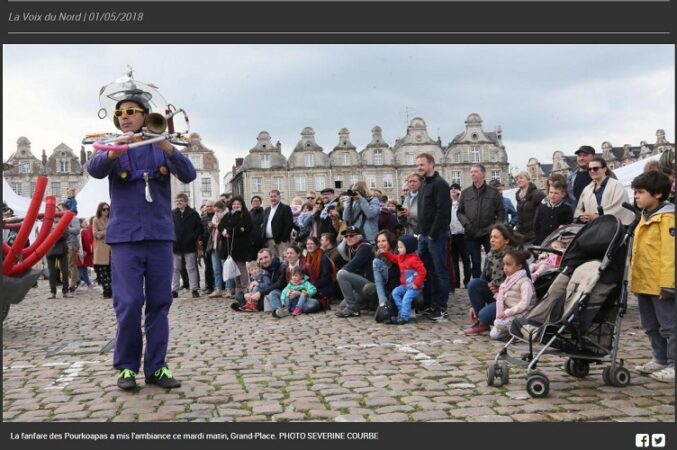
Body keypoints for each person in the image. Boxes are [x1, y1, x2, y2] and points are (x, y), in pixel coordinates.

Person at [87, 90, 195, 390]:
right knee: (130, 303)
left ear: (145, 115)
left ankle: (157, 367)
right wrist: (114, 151)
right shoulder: (112, 145)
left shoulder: (160, 146)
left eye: (131, 111)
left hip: (159, 235)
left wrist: (166, 146)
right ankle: (126, 368)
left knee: (160, 302)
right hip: (125, 239)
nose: (125, 118)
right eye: (120, 114)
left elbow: (189, 174)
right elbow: (94, 170)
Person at [630, 171, 675, 383]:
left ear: (657, 194)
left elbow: (670, 254)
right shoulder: (644, 217)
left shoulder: (667, 219)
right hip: (644, 282)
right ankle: (660, 357)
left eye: (640, 192)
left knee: (670, 326)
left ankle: (674, 363)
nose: (636, 197)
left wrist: (669, 283)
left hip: (661, 284)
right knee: (650, 325)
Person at [464, 224, 522, 336]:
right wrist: (473, 306)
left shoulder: (516, 258)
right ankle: (482, 324)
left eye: (496, 237)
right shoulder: (491, 255)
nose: (492, 240)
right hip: (496, 296)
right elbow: (483, 278)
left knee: (484, 315)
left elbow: (523, 284)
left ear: (506, 240)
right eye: (491, 237)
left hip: (511, 300)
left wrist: (501, 290)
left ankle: (505, 323)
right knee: (474, 284)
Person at [415, 153, 451, 322]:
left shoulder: (440, 184)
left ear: (431, 164)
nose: (419, 168)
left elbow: (443, 213)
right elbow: (422, 211)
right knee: (425, 271)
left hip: (436, 236)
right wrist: (420, 232)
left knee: (439, 271)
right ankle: (429, 303)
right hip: (423, 236)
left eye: (422, 165)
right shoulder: (423, 185)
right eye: (418, 165)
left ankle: (441, 306)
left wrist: (432, 234)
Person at [457, 163, 505, 280]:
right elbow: (460, 212)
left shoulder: (493, 192)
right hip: (471, 233)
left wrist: (496, 228)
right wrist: (466, 224)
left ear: (483, 174)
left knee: (493, 260)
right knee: (476, 262)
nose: (473, 174)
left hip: (488, 233)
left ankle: (493, 283)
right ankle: (477, 285)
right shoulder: (465, 192)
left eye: (476, 171)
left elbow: (501, 212)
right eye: (471, 172)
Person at [377, 234, 426, 325]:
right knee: (395, 293)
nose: (398, 249)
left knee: (406, 298)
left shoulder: (414, 259)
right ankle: (402, 311)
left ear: (408, 247)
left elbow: (422, 271)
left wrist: (417, 283)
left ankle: (404, 317)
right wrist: (384, 253)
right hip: (405, 285)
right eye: (398, 247)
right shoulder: (400, 257)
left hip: (414, 286)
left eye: (400, 247)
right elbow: (393, 258)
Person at [574, 156, 634, 226]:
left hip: (614, 227)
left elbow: (620, 207)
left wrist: (597, 215)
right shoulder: (587, 189)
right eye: (589, 169)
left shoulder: (617, 185)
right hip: (594, 228)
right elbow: (579, 209)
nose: (592, 171)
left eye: (595, 168)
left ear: (604, 169)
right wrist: (582, 216)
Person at [490, 250, 536, 340]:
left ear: (519, 266)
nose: (505, 268)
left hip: (522, 316)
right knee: (493, 334)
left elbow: (524, 304)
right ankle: (510, 331)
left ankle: (516, 330)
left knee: (498, 324)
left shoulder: (524, 282)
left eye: (508, 264)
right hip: (510, 314)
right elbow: (508, 297)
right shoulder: (508, 280)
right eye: (504, 264)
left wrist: (507, 313)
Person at [335, 226, 374, 317]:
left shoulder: (365, 247)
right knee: (342, 306)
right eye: (346, 236)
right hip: (361, 284)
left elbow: (352, 266)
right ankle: (365, 304)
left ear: (359, 236)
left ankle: (353, 308)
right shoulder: (353, 248)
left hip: (370, 284)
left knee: (341, 274)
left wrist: (338, 274)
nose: (348, 238)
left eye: (351, 235)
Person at [219, 196, 254, 297]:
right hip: (230, 245)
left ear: (242, 205)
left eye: (238, 204)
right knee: (234, 268)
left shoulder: (245, 215)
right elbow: (221, 225)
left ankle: (244, 287)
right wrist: (223, 231)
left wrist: (229, 230)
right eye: (234, 204)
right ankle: (238, 288)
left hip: (241, 245)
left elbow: (245, 227)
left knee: (241, 266)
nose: (236, 206)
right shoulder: (228, 214)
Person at [171, 193, 202, 299]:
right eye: (177, 201)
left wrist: (192, 237)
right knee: (175, 268)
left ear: (186, 202)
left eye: (181, 200)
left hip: (189, 245)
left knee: (191, 268)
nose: (178, 202)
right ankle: (174, 290)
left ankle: (194, 289)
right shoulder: (172, 213)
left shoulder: (193, 214)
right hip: (176, 245)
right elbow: (168, 227)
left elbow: (199, 228)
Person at [533, 179, 574, 245]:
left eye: (556, 193)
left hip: (559, 243)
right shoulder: (541, 208)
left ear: (563, 195)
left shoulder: (567, 209)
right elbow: (536, 226)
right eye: (551, 192)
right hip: (543, 242)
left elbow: (569, 226)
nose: (552, 195)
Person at [513, 171, 546, 244]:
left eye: (521, 178)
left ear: (528, 179)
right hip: (522, 235)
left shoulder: (537, 194)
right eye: (517, 179)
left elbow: (543, 214)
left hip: (534, 235)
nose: (519, 180)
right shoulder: (518, 196)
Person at [449, 183, 471, 289]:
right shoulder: (448, 203)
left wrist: (461, 196)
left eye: (455, 188)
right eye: (451, 189)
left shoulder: (463, 202)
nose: (453, 190)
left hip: (463, 234)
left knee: (466, 259)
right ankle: (456, 282)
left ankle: (467, 281)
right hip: (452, 235)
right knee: (454, 260)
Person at [304, 236, 335, 311]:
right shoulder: (307, 258)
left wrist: (312, 286)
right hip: (312, 286)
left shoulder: (323, 258)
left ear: (317, 245)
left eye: (312, 244)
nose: (309, 246)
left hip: (323, 287)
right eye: (308, 244)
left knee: (304, 295)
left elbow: (326, 278)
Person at [372, 229, 400, 308]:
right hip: (387, 290)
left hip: (401, 289)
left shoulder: (399, 253)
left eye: (383, 241)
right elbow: (378, 282)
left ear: (390, 241)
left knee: (418, 299)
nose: (380, 244)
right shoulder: (377, 258)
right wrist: (382, 302)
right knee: (369, 288)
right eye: (378, 241)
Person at [262, 189, 294, 257]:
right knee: (273, 262)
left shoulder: (285, 208)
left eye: (275, 196)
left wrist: (283, 238)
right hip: (269, 241)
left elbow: (289, 224)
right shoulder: (267, 210)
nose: (273, 198)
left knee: (284, 260)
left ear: (279, 197)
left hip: (281, 242)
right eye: (271, 197)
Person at [46, 213, 71, 299]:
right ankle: (53, 292)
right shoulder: (47, 224)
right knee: (52, 272)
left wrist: (54, 236)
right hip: (50, 250)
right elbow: (43, 235)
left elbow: (66, 235)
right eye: (55, 216)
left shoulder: (64, 224)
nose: (56, 218)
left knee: (65, 271)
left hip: (62, 249)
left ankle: (65, 291)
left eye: (57, 217)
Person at [207, 200, 227, 298]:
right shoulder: (214, 218)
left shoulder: (226, 217)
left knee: (226, 268)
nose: (216, 213)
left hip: (223, 246)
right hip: (214, 246)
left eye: (218, 211)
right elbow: (210, 233)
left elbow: (226, 231)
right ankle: (218, 288)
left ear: (223, 210)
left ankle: (228, 288)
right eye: (215, 211)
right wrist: (211, 227)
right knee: (216, 269)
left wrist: (217, 226)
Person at [92, 202, 112, 299]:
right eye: (104, 209)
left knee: (111, 271)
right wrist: (107, 231)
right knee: (103, 272)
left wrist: (102, 233)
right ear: (100, 210)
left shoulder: (111, 219)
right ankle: (106, 291)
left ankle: (111, 290)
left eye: (108, 209)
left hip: (111, 248)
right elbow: (95, 234)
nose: (106, 211)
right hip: (100, 249)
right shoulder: (96, 220)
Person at [567, 145, 595, 210]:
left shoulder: (602, 173)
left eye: (585, 155)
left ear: (593, 157)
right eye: (579, 156)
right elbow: (568, 200)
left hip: (600, 215)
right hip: (579, 216)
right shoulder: (571, 178)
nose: (581, 158)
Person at [199, 200, 215, 296]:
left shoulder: (217, 217)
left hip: (215, 244)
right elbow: (200, 231)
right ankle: (209, 286)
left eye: (211, 206)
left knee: (216, 267)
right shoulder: (203, 218)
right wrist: (200, 239)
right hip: (205, 245)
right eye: (207, 206)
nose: (209, 208)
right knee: (208, 266)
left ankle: (217, 285)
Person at [76, 218, 95, 289]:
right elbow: (87, 243)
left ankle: (89, 284)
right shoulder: (84, 231)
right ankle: (75, 283)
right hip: (84, 253)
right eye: (84, 222)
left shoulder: (78, 231)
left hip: (78, 252)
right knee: (81, 269)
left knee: (83, 269)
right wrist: (88, 251)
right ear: (81, 224)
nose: (86, 223)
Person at [248, 195, 265, 260]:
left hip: (261, 242)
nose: (255, 202)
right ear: (251, 203)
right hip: (251, 242)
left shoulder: (264, 213)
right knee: (252, 262)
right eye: (253, 201)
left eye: (257, 201)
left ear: (260, 203)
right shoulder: (248, 214)